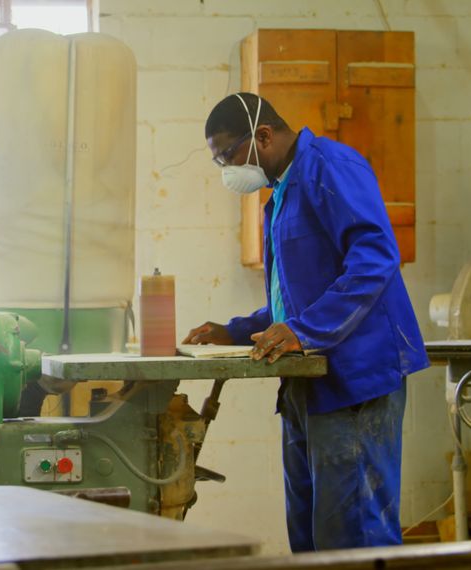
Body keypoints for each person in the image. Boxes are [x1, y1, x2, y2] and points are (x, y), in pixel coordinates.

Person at [183, 92, 429, 551]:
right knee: (311, 538)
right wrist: (234, 330)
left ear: (263, 135)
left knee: (352, 537)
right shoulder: (281, 195)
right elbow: (294, 301)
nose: (226, 170)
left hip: (355, 380)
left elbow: (375, 259)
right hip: (307, 385)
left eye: (228, 156)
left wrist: (302, 331)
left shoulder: (330, 167)